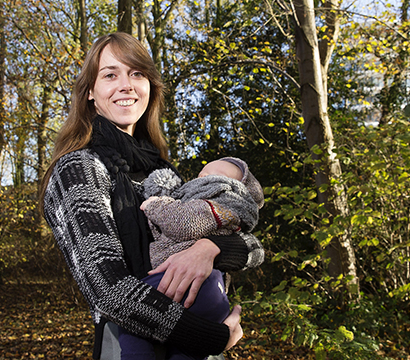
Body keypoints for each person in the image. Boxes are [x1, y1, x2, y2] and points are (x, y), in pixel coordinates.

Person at [40, 32, 265, 360]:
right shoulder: (78, 168)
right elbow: (109, 292)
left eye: (136, 73)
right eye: (110, 75)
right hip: (131, 346)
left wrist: (210, 248)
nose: (126, 85)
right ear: (90, 91)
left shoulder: (163, 173)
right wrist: (209, 337)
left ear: (149, 87)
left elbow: (255, 249)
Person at [117, 157, 265, 359]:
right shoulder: (227, 207)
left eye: (212, 174)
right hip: (211, 294)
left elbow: (185, 223)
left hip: (190, 285)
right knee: (186, 352)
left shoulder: (220, 201)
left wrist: (156, 205)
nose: (202, 176)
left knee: (131, 318)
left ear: (234, 186)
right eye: (201, 173)